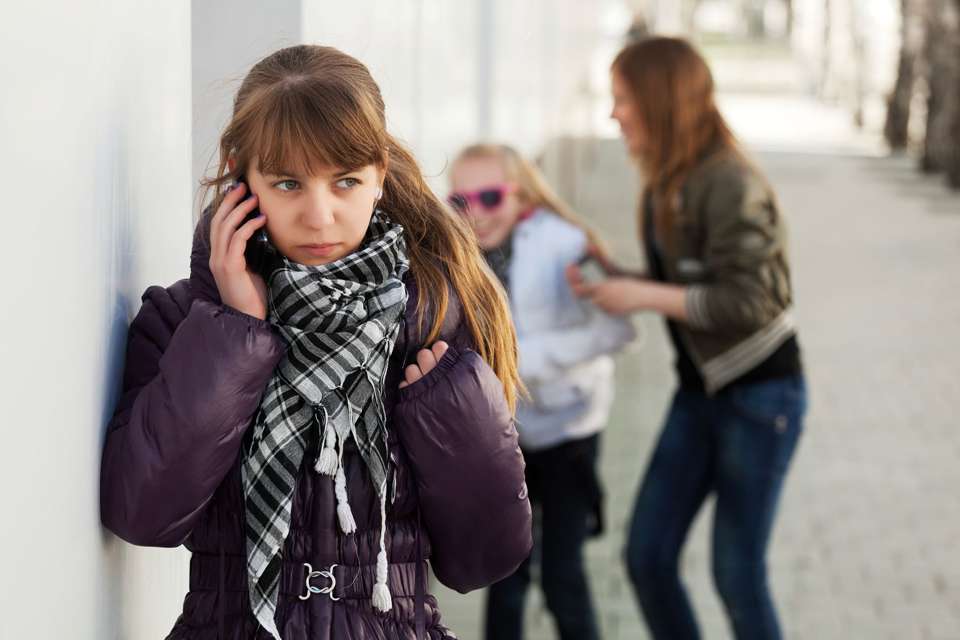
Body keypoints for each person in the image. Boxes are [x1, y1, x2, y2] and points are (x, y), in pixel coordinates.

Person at [99, 45, 532, 640]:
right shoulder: (182, 322)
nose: (320, 216)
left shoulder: (433, 319)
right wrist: (235, 333)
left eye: (346, 181)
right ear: (239, 173)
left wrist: (456, 413)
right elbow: (142, 514)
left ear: (380, 174)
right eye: (287, 183)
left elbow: (484, 559)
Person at [568, 37, 807, 640]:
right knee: (647, 558)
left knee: (736, 574)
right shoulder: (669, 177)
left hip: (759, 398)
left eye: (623, 99)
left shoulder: (727, 180)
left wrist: (642, 297)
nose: (613, 114)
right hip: (702, 392)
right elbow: (688, 282)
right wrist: (616, 274)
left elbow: (753, 303)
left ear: (660, 101)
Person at [449, 143, 635, 640]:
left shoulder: (566, 243)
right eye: (460, 201)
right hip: (503, 437)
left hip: (569, 431)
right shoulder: (456, 256)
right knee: (505, 575)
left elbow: (618, 329)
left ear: (522, 196)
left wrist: (523, 359)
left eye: (490, 196)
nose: (477, 214)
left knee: (562, 577)